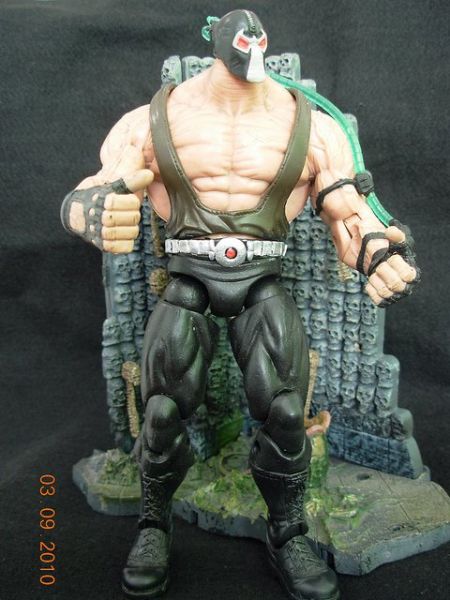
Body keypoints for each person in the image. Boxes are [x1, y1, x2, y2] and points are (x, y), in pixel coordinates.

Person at [61, 9, 418, 600]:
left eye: (257, 35)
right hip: (189, 276)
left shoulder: (311, 126)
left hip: (261, 279)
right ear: (213, 37)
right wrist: (91, 213)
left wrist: (378, 256)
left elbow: (349, 213)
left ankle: (288, 533)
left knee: (286, 410)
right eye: (240, 34)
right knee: (161, 411)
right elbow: (95, 189)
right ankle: (153, 525)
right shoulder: (151, 119)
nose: (249, 41)